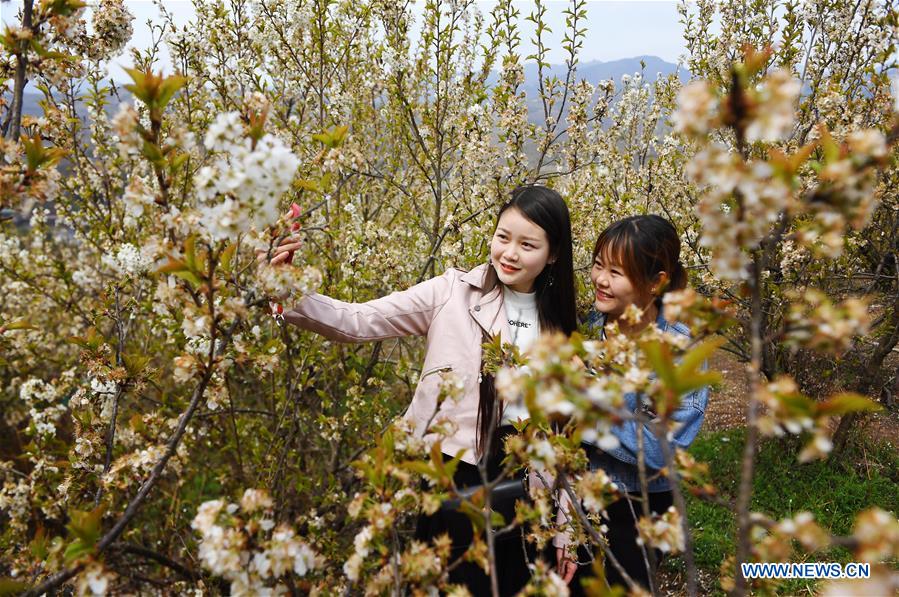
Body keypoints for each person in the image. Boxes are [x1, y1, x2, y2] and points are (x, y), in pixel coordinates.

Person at [260, 185, 578, 595]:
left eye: (527, 244)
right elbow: (356, 321)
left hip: (523, 487)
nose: (509, 253)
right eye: (503, 237)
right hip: (451, 473)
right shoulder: (452, 292)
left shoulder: (560, 330)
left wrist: (567, 529)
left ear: (552, 254)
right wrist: (284, 287)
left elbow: (564, 438)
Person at [566, 214, 709, 594]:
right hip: (574, 494)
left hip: (637, 504)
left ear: (656, 281)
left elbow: (665, 449)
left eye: (617, 271)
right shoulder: (586, 329)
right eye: (598, 264)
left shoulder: (676, 350)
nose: (600, 279)